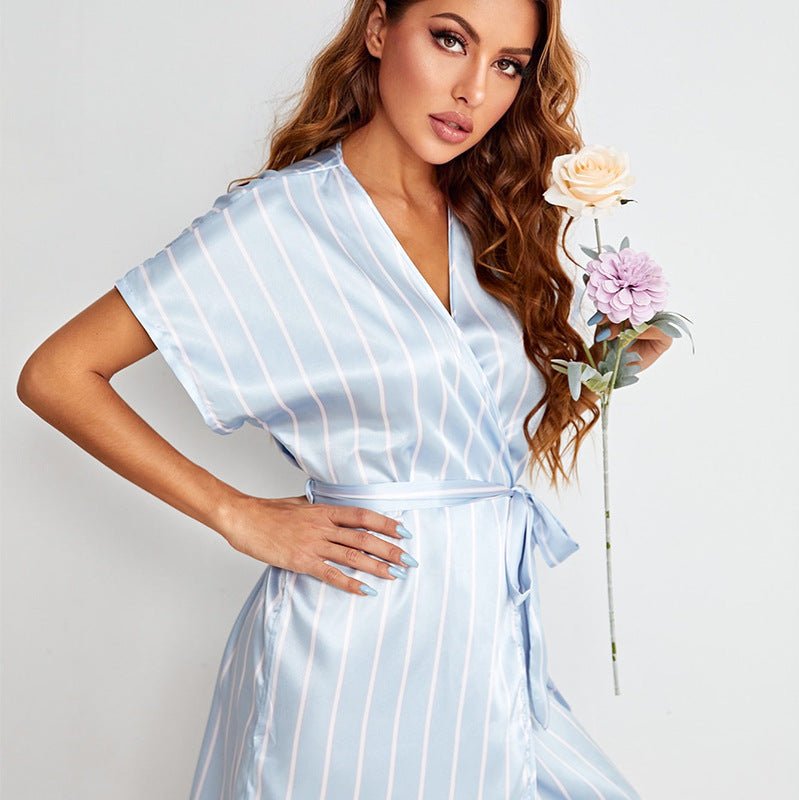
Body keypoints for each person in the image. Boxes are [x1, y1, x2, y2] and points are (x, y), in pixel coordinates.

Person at [18, 0, 671, 797]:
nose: (473, 89)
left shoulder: (491, 221)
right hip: (352, 643)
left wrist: (608, 367)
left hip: (488, 646)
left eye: (508, 65)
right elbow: (57, 374)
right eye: (450, 39)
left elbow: (468, 429)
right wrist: (237, 514)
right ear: (378, 29)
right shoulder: (277, 222)